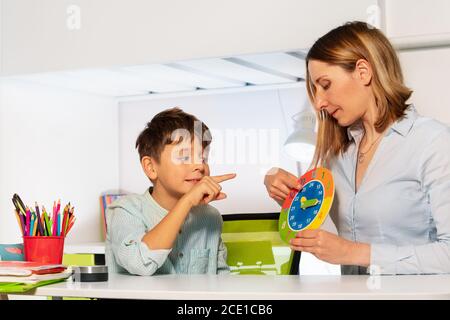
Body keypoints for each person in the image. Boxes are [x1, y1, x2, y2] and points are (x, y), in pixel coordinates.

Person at [264, 21, 450, 275]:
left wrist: (355, 253)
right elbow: (329, 241)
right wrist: (288, 197)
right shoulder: (339, 154)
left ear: (363, 72)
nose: (319, 102)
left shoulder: (433, 142)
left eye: (325, 84)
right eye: (315, 89)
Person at [106, 107, 236, 275]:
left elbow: (220, 278)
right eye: (184, 157)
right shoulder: (125, 210)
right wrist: (186, 201)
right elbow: (138, 263)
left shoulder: (210, 217)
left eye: (203, 158)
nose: (199, 165)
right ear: (151, 167)